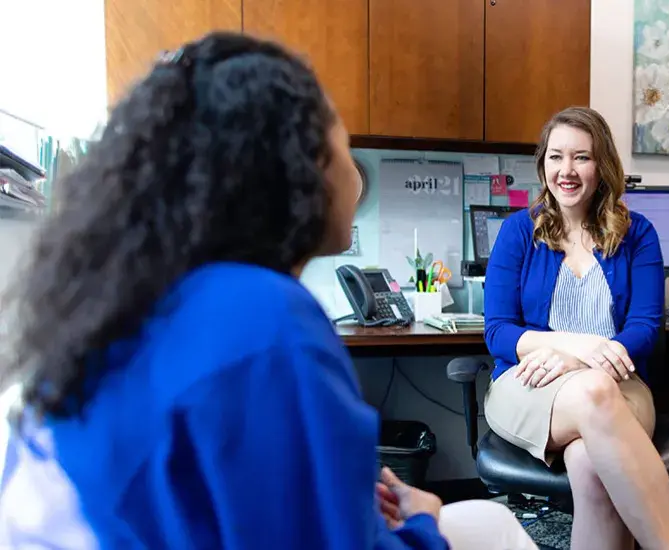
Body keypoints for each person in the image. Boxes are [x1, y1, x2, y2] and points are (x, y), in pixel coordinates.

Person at [0, 32, 536, 550]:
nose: (353, 167)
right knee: (493, 525)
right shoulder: (263, 316)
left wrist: (340, 493)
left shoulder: (139, 295)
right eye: (343, 141)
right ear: (297, 167)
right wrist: (424, 521)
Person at [483, 106, 669, 550]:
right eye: (555, 157)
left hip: (621, 381)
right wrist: (583, 346)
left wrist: (580, 359)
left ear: (603, 165)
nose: (566, 171)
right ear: (543, 164)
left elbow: (645, 327)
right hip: (530, 383)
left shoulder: (638, 234)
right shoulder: (518, 231)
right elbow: (498, 332)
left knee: (593, 469)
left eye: (581, 157)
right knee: (593, 390)